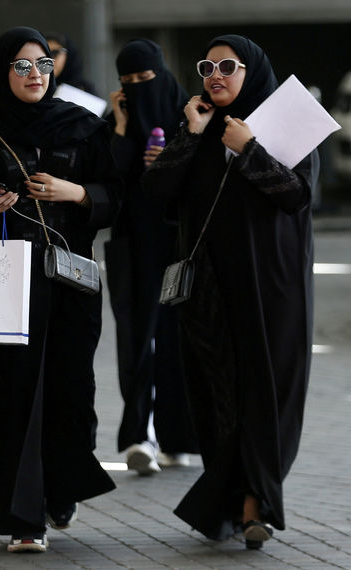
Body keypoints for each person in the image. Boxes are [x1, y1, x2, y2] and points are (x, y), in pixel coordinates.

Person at [0, 26, 121, 553]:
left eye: (42, 65)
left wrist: (78, 192)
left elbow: (119, 196)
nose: (34, 76)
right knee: (13, 394)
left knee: (70, 392)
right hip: (6, 284)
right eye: (21, 66)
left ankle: (60, 487)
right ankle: (25, 519)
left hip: (70, 284)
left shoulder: (84, 126)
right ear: (3, 71)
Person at [143, 34, 317, 549]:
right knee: (220, 395)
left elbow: (298, 196)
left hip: (272, 291)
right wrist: (192, 136)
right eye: (207, 66)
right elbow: (157, 195)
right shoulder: (195, 127)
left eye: (227, 66)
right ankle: (231, 500)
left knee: (269, 393)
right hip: (208, 292)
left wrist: (248, 150)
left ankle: (255, 503)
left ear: (252, 72)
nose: (214, 75)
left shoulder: (287, 127)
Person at [104, 39, 199, 475]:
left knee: (178, 340)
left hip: (180, 247)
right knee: (135, 338)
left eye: (146, 78)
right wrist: (122, 127)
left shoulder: (191, 116)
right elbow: (107, 178)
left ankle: (178, 436)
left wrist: (173, 161)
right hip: (133, 249)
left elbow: (205, 181)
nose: (139, 88)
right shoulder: (115, 121)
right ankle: (138, 434)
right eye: (128, 81)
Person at [43, 31, 99, 96]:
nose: (49, 59)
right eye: (44, 54)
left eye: (54, 53)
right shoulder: (35, 88)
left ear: (69, 54)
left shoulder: (85, 90)